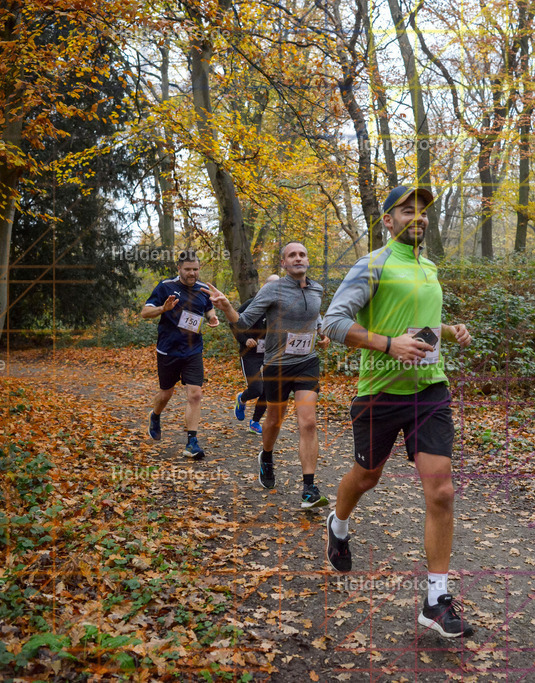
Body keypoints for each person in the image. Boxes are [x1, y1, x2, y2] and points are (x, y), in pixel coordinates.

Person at [321, 185, 475, 638]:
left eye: (423, 211)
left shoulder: (428, 267)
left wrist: (449, 328)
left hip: (429, 391)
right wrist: (389, 345)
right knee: (367, 476)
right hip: (379, 394)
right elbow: (331, 323)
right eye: (408, 211)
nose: (419, 217)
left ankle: (436, 599)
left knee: (442, 491)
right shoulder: (373, 264)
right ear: (387, 221)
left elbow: (416, 326)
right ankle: (339, 522)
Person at [203, 242, 331, 509]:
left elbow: (315, 316)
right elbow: (244, 321)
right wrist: (226, 307)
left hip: (307, 363)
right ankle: (267, 456)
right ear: (283, 263)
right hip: (277, 365)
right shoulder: (272, 289)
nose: (298, 258)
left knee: (308, 422)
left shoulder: (317, 288)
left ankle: (309, 488)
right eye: (292, 255)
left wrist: (322, 333)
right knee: (274, 420)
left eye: (302, 254)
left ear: (308, 260)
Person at [140, 251, 219, 459]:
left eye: (195, 269)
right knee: (166, 393)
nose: (192, 273)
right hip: (169, 350)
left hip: (193, 350)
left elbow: (208, 308)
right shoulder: (166, 286)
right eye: (188, 269)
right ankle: (155, 415)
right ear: (179, 269)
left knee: (195, 394)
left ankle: (192, 442)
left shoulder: (203, 290)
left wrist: (212, 318)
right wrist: (162, 309)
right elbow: (144, 312)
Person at [232, 274, 280, 434]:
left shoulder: (282, 307)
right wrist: (245, 340)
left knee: (268, 389)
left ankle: (255, 421)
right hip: (250, 354)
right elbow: (233, 323)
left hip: (270, 353)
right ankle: (242, 398)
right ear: (264, 287)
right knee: (257, 389)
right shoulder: (252, 304)